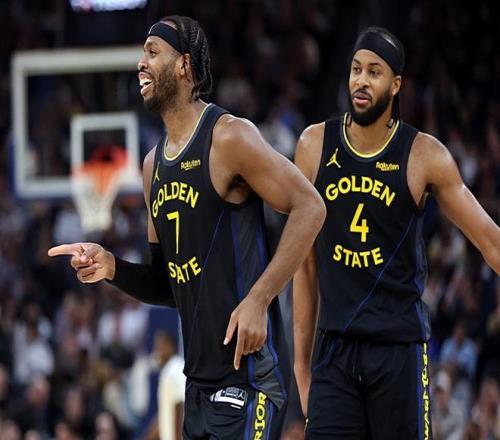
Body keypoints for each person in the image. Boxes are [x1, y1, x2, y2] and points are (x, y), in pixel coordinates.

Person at [49, 15, 325, 440]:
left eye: (152, 52)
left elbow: (310, 207)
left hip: (249, 378)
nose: (140, 62)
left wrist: (260, 297)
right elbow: (168, 284)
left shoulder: (228, 137)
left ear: (184, 65)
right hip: (197, 387)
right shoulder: (152, 167)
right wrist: (112, 267)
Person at [293, 26, 500, 440]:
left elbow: (489, 240)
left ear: (396, 84)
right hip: (334, 352)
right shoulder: (314, 145)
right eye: (356, 69)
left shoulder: (424, 155)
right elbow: (305, 263)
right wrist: (301, 363)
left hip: (398, 351)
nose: (361, 81)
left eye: (374, 72)